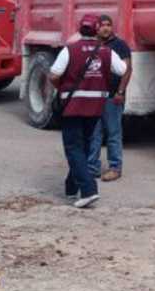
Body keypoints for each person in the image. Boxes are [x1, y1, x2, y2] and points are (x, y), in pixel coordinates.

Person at [49, 14, 127, 209]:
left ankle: (88, 190)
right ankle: (70, 187)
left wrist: (62, 88)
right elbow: (123, 69)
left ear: (79, 29)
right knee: (82, 146)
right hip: (95, 108)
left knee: (73, 148)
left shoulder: (70, 50)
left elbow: (53, 75)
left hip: (73, 106)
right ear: (96, 29)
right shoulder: (107, 51)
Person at [90, 14, 132, 182]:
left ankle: (115, 167)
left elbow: (127, 70)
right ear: (97, 28)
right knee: (94, 133)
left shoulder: (120, 45)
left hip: (112, 97)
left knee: (113, 133)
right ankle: (92, 167)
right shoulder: (93, 44)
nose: (106, 28)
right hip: (95, 96)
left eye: (109, 24)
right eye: (102, 25)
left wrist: (120, 92)